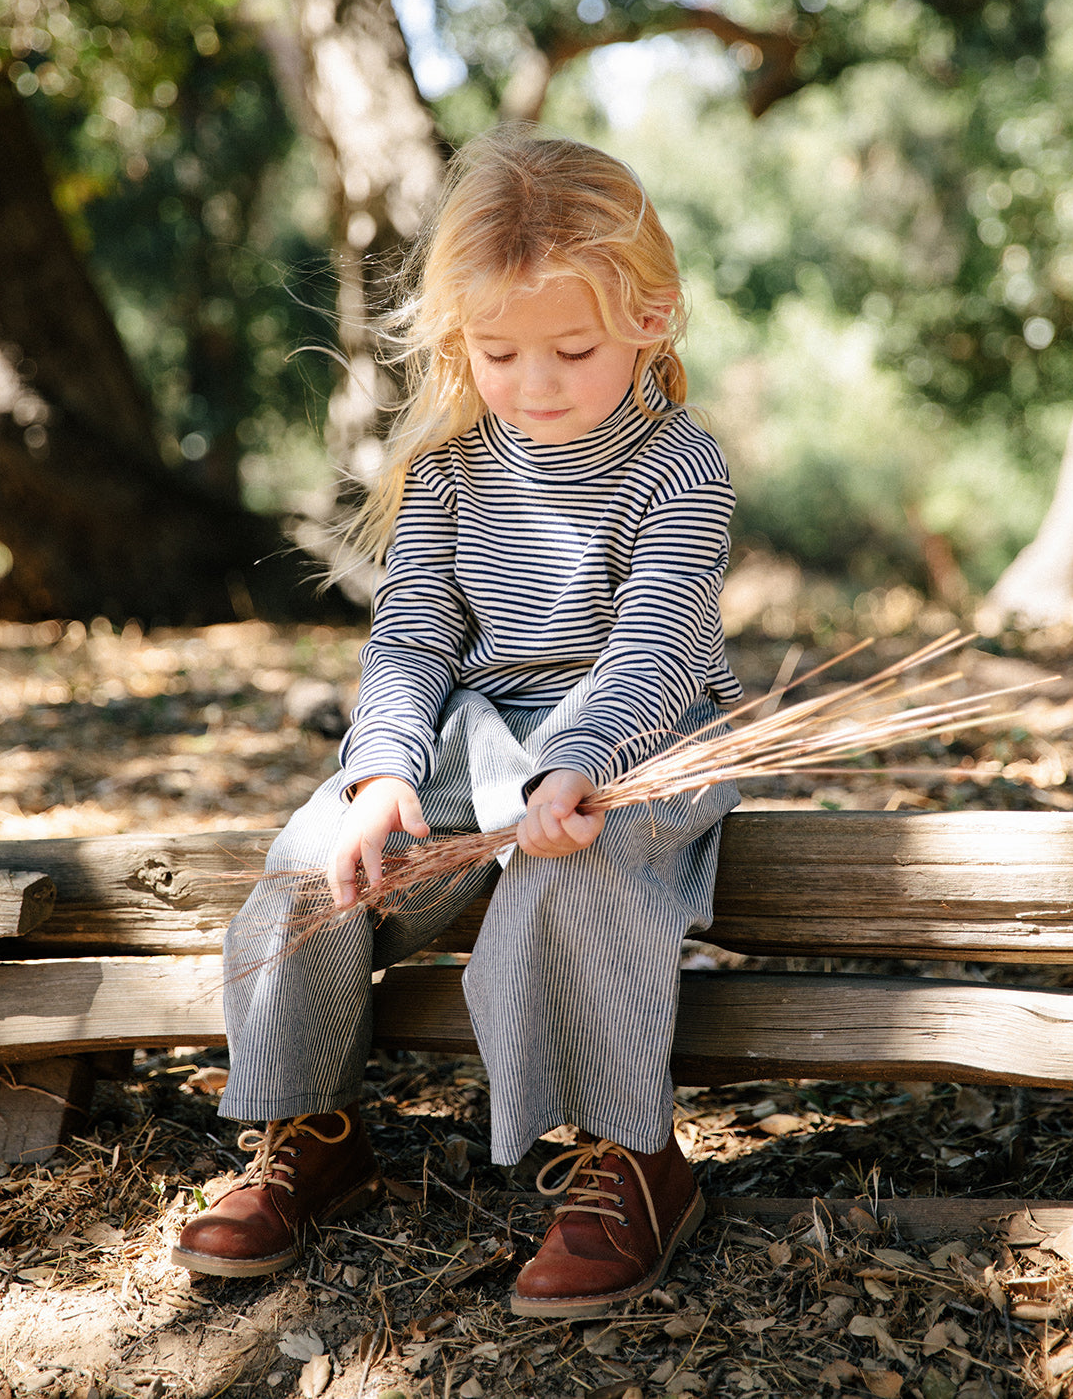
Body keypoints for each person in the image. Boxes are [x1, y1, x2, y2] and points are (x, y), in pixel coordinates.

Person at [172, 123, 743, 1319]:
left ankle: (634, 1159)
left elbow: (652, 649)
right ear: (457, 342)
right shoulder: (448, 469)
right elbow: (416, 637)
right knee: (312, 863)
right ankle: (309, 1132)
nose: (534, 384)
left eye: (571, 350)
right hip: (477, 735)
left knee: (569, 878)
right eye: (499, 352)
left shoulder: (681, 469)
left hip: (643, 736)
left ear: (652, 318)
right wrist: (382, 771)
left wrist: (578, 765)